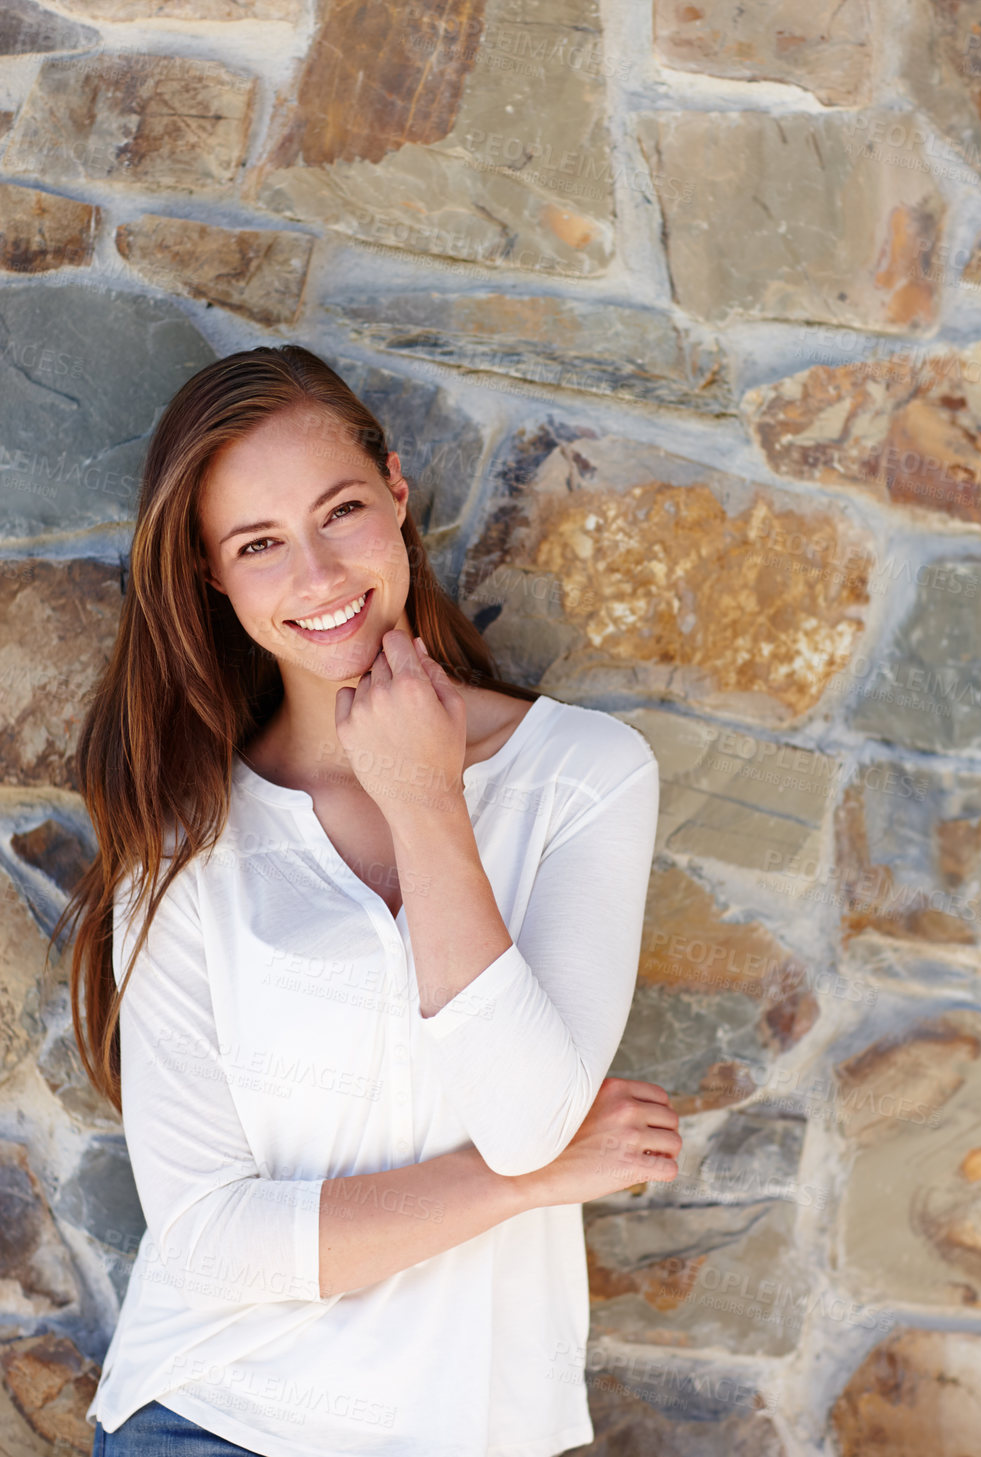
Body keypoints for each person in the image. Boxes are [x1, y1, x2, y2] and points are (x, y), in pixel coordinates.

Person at [54, 344, 681, 1456]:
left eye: (339, 511)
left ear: (396, 491)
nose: (319, 573)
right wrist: (512, 1183)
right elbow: (208, 1240)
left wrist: (423, 796)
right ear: (213, 575)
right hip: (212, 1418)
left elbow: (533, 1113)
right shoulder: (187, 838)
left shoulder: (584, 773)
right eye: (258, 544)